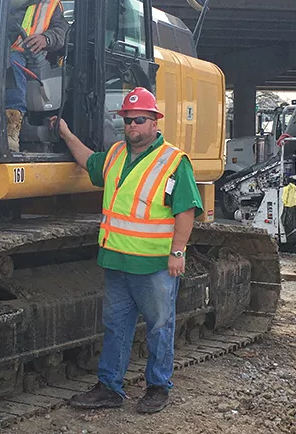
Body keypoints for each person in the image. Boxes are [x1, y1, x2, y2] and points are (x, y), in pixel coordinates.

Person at [50, 87, 203, 414]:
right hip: (117, 260)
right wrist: (65, 134)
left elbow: (186, 211)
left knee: (160, 326)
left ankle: (158, 387)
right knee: (116, 326)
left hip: (154, 265)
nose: (132, 125)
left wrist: (178, 253)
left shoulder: (173, 161)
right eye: (128, 120)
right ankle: (110, 387)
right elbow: (88, 161)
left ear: (154, 122)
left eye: (139, 120)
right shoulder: (117, 154)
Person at [4, 0, 68, 152]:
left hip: (29, 62)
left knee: (12, 61)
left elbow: (62, 32)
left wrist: (46, 39)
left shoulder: (49, 4)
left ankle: (11, 124)